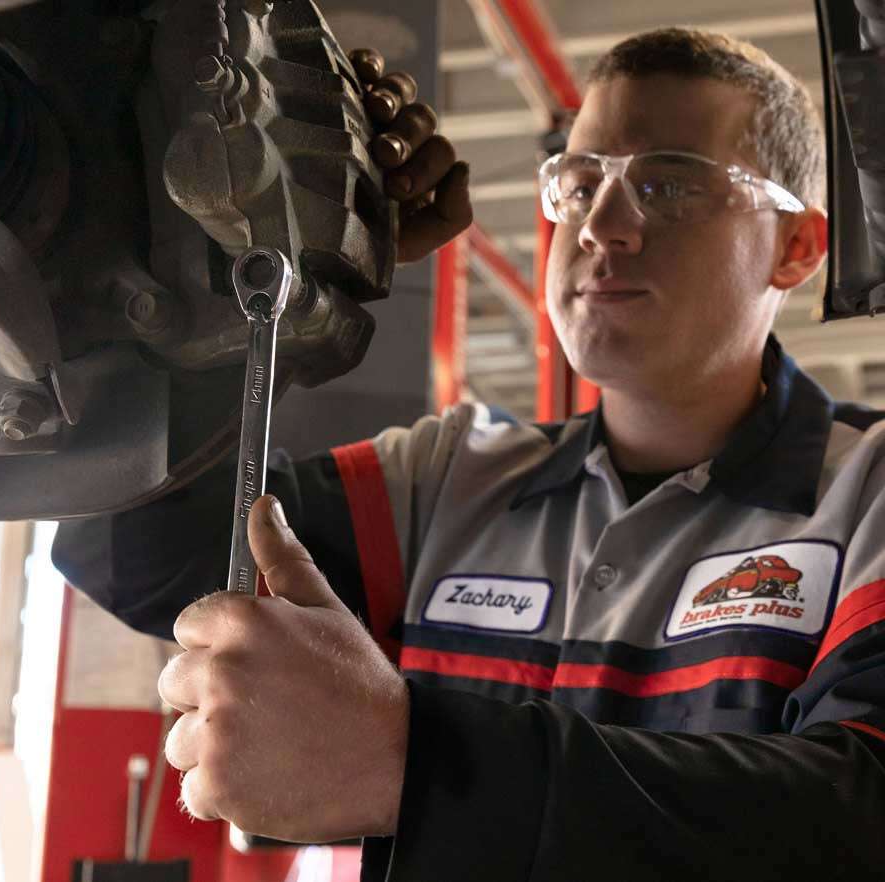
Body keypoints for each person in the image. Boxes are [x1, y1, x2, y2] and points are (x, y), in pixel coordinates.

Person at [53, 29, 885, 881]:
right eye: (581, 180)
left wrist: (412, 764)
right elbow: (127, 545)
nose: (601, 224)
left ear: (797, 247)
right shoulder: (451, 478)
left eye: (667, 185)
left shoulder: (866, 494)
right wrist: (299, 291)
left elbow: (860, 817)